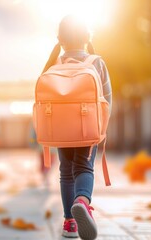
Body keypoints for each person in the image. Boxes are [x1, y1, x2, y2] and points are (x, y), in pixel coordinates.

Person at [42, 15, 112, 239]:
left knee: (65, 171)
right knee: (84, 167)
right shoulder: (97, 62)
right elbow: (108, 99)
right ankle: (82, 200)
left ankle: (70, 224)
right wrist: (101, 129)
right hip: (87, 127)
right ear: (87, 37)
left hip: (61, 129)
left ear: (60, 40)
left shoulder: (54, 64)